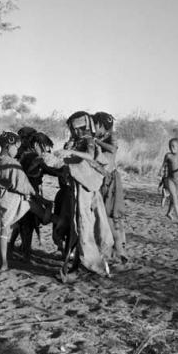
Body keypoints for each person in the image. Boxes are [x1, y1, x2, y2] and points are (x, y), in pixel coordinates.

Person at [55, 111, 114, 280]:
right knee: (76, 228)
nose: (73, 131)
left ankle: (88, 266)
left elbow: (91, 157)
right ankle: (75, 266)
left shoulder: (89, 141)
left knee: (84, 227)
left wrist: (71, 154)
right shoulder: (75, 142)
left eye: (75, 128)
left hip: (86, 192)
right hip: (75, 191)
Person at [0, 131, 55, 271]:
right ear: (9, 146)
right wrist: (40, 198)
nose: (17, 150)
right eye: (16, 147)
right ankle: (50, 213)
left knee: (4, 230)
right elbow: (24, 185)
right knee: (41, 214)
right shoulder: (13, 163)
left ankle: (4, 263)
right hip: (17, 199)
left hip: (4, 198)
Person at [9, 132, 66, 260]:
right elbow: (46, 169)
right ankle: (26, 254)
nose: (47, 150)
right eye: (45, 147)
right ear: (36, 145)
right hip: (28, 193)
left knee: (24, 222)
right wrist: (63, 170)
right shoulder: (32, 157)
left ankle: (16, 247)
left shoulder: (28, 155)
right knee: (27, 223)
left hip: (28, 192)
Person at [92, 111, 129, 264]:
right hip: (100, 179)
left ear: (101, 125)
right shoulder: (100, 138)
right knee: (103, 216)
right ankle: (115, 250)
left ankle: (120, 250)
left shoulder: (111, 136)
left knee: (110, 216)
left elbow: (113, 149)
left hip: (109, 181)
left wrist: (96, 141)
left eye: (95, 124)